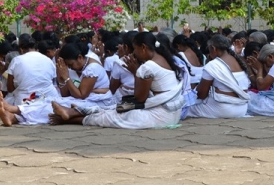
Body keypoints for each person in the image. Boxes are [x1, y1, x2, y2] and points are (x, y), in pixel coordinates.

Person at [50, 32, 186, 129]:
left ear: (143, 47)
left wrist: (136, 72)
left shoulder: (147, 67)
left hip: (160, 116)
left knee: (115, 116)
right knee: (115, 109)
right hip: (173, 113)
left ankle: (69, 118)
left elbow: (140, 98)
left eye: (136, 49)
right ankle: (72, 113)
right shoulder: (164, 59)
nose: (133, 54)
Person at [0, 42, 115, 126]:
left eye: (71, 65)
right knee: (48, 101)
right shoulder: (82, 66)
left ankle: (14, 115)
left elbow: (81, 95)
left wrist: (67, 78)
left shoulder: (92, 68)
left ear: (80, 57)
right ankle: (14, 114)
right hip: (86, 99)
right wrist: (62, 79)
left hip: (98, 101)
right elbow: (65, 94)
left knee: (51, 107)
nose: (70, 68)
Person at [184, 34, 250, 118]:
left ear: (213, 48)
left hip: (224, 110)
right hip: (242, 109)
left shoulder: (213, 65)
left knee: (186, 108)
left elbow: (202, 95)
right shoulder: (239, 61)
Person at [6, 34, 58, 105]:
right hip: (50, 99)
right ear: (37, 49)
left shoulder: (16, 60)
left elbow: (9, 87)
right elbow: (52, 81)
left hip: (24, 100)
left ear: (21, 50)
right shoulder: (48, 60)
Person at [109, 31, 138, 103]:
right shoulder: (147, 61)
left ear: (126, 47)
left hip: (124, 101)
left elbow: (112, 88)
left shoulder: (119, 63)